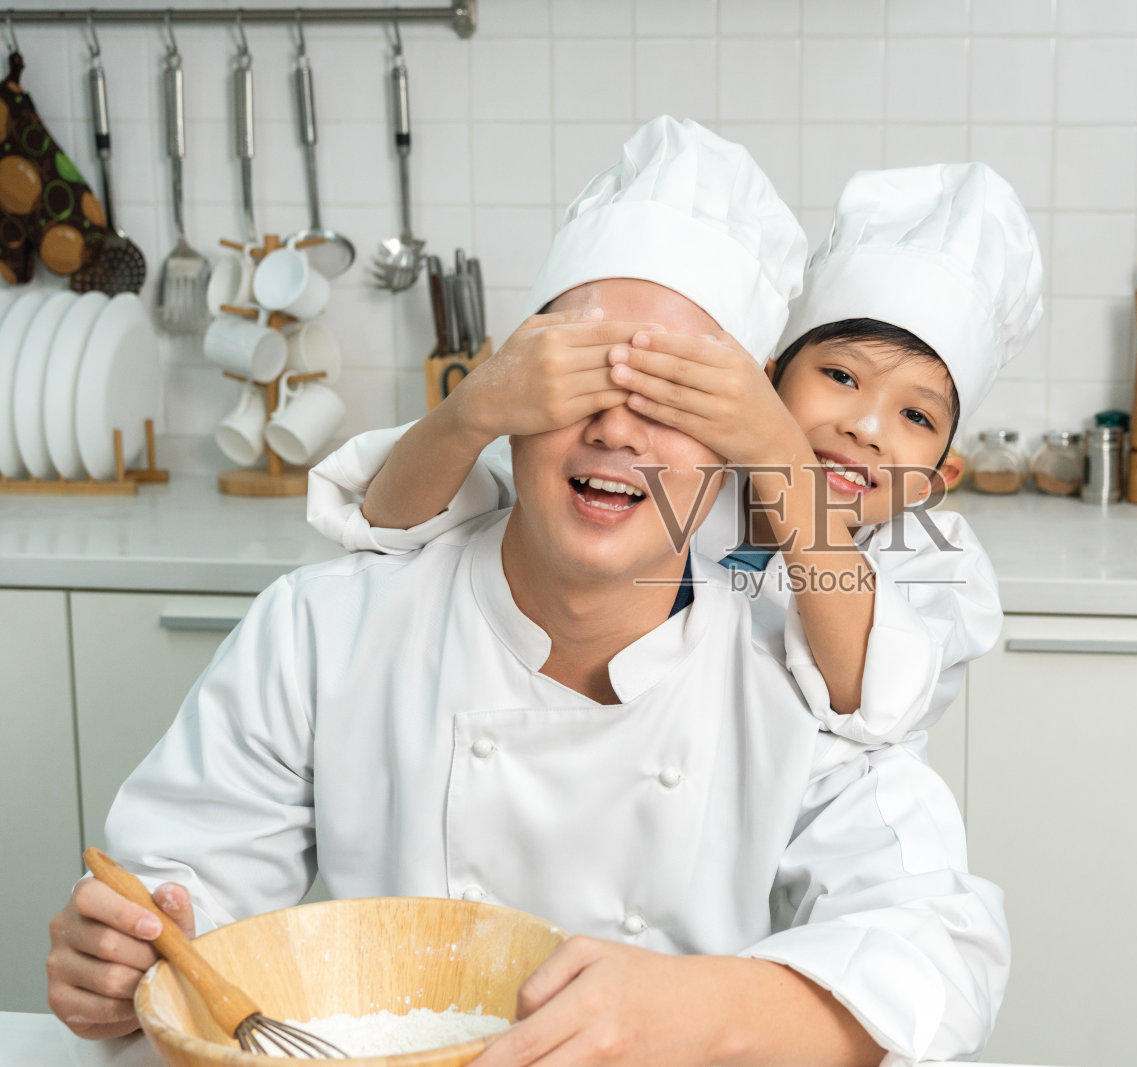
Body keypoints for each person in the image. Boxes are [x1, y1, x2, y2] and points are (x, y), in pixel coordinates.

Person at [45, 118, 1007, 1067]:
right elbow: (176, 907)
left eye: (675, 396)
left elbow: (938, 951)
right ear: (516, 380)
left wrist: (701, 1010)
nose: (621, 430)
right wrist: (122, 964)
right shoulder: (322, 633)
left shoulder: (798, 675)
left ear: (739, 444)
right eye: (583, 372)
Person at [307, 162, 1044, 746]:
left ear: (942, 475)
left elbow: (866, 697)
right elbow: (389, 525)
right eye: (841, 376)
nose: (867, 427)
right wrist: (476, 407)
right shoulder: (667, 472)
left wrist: (780, 454)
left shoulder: (936, 563)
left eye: (917, 415)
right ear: (764, 380)